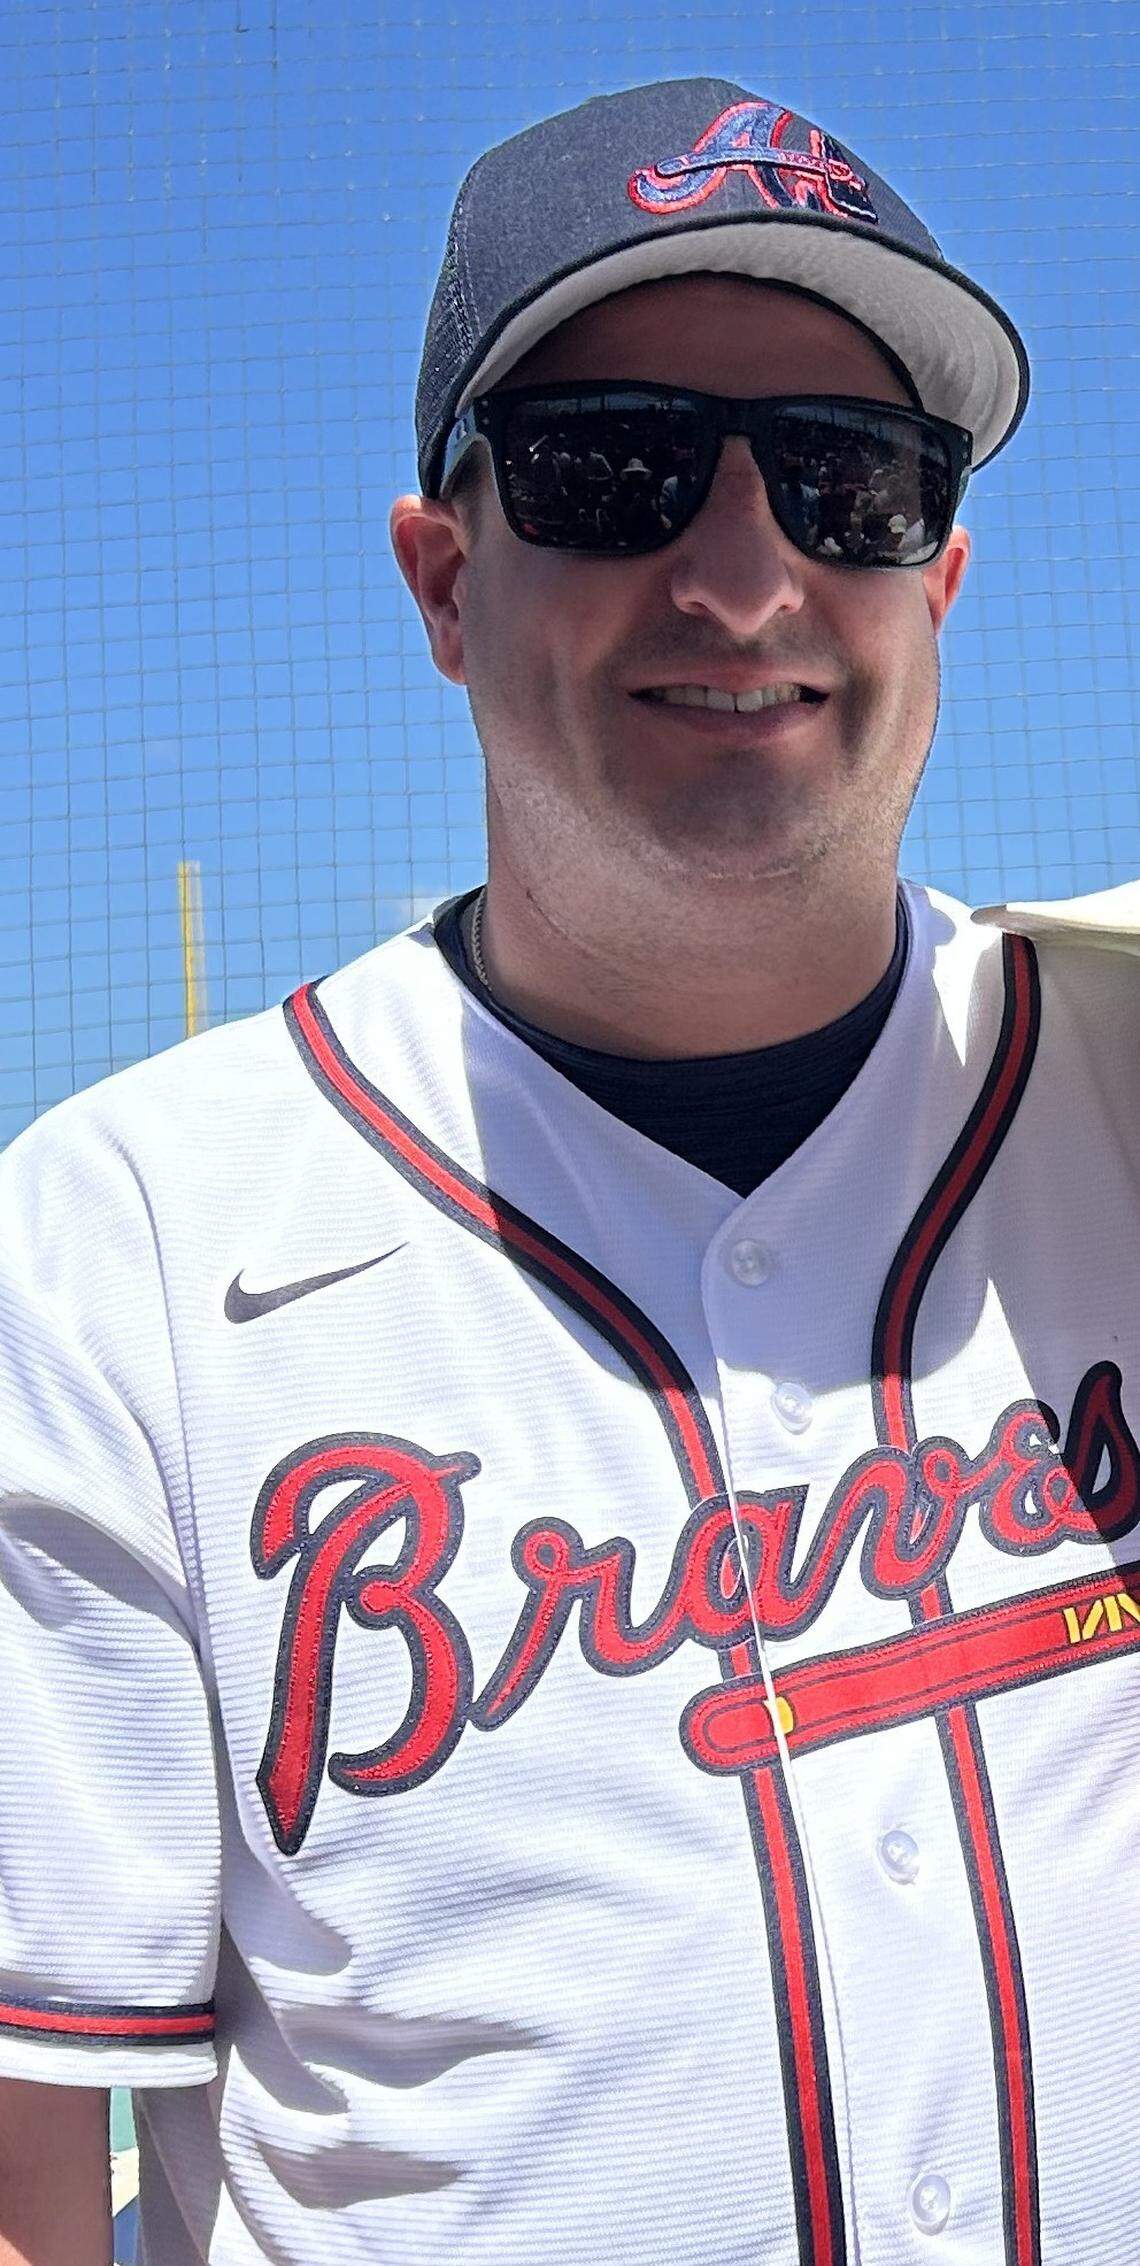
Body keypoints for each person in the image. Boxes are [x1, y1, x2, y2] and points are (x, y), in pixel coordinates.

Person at [1, 73, 1137, 2266]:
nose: (744, 570)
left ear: (945, 575)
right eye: (612, 469)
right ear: (441, 577)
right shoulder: (119, 1244)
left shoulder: (1122, 1077)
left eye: (848, 481)